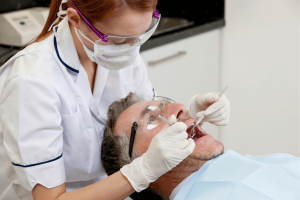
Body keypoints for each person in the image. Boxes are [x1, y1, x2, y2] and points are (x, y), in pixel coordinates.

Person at [0, 0, 230, 199]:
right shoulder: (32, 80)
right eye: (120, 41)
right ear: (75, 19)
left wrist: (188, 114)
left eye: (140, 35)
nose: (131, 49)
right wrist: (142, 172)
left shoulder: (121, 53)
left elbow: (142, 128)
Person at [101, 92, 300, 200]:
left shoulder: (273, 162)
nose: (180, 108)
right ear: (140, 165)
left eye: (167, 102)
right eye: (153, 119)